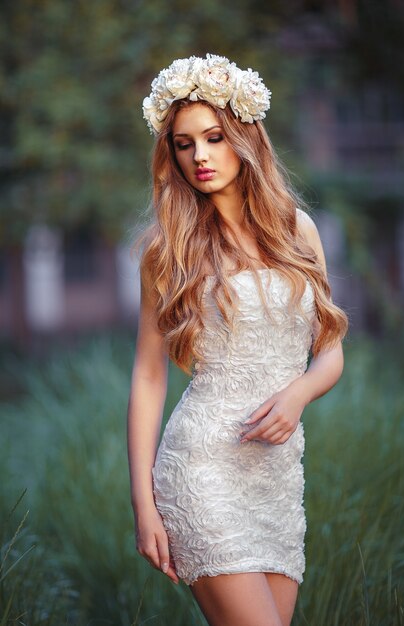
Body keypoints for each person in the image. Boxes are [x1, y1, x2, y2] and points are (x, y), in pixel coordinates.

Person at [127, 53, 348, 626]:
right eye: (183, 143)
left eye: (214, 137)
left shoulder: (299, 230)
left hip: (277, 475)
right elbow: (149, 377)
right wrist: (144, 506)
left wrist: (299, 395)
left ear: (244, 136)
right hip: (202, 468)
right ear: (170, 154)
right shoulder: (166, 251)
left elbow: (329, 351)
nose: (200, 156)